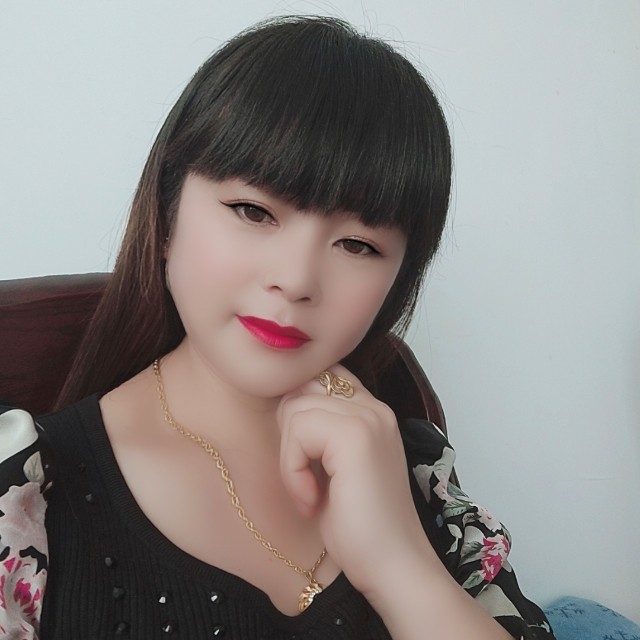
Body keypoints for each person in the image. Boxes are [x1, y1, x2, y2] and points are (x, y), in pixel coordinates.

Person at [0, 16, 555, 639]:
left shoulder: (421, 480)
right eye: (253, 210)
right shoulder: (21, 500)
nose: (296, 281)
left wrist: (400, 566)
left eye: (358, 245)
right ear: (165, 211)